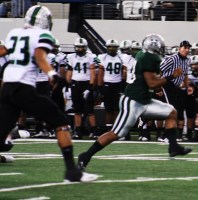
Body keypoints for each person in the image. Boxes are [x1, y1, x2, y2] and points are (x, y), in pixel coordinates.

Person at [0, 5, 97, 182]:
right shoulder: (43, 35)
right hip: (24, 88)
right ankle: (72, 172)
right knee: (61, 123)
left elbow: (3, 51)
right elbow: (39, 55)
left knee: (1, 135)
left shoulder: (14, 32)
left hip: (6, 88)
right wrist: (51, 73)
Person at [77, 34, 192, 171]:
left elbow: (151, 81)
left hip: (145, 100)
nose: (162, 49)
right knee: (116, 134)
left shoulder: (144, 56)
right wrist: (172, 76)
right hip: (133, 102)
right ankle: (85, 156)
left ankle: (173, 147)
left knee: (171, 112)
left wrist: (161, 83)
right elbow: (151, 83)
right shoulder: (149, 58)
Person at [65, 37, 99, 139]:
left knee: (90, 111)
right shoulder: (71, 57)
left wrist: (89, 87)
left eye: (82, 47)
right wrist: (69, 86)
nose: (79, 49)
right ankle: (78, 131)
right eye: (78, 47)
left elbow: (93, 74)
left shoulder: (91, 57)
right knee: (77, 110)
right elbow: (69, 74)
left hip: (86, 84)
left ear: (85, 48)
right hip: (75, 84)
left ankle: (94, 131)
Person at [160, 40, 191, 141]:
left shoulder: (187, 60)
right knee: (171, 110)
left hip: (176, 87)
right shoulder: (173, 58)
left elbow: (185, 75)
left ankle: (166, 134)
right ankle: (166, 135)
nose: (186, 50)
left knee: (175, 110)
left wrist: (187, 87)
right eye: (184, 48)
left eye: (188, 48)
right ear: (179, 49)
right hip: (167, 84)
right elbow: (160, 70)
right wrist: (158, 86)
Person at [97, 39, 127, 138]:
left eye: (113, 47)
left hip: (117, 85)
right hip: (107, 85)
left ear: (117, 48)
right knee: (109, 109)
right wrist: (100, 88)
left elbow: (124, 73)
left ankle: (117, 129)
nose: (111, 48)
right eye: (110, 46)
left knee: (117, 109)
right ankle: (109, 130)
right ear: (107, 47)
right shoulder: (103, 58)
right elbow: (100, 74)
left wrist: (123, 86)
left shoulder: (121, 58)